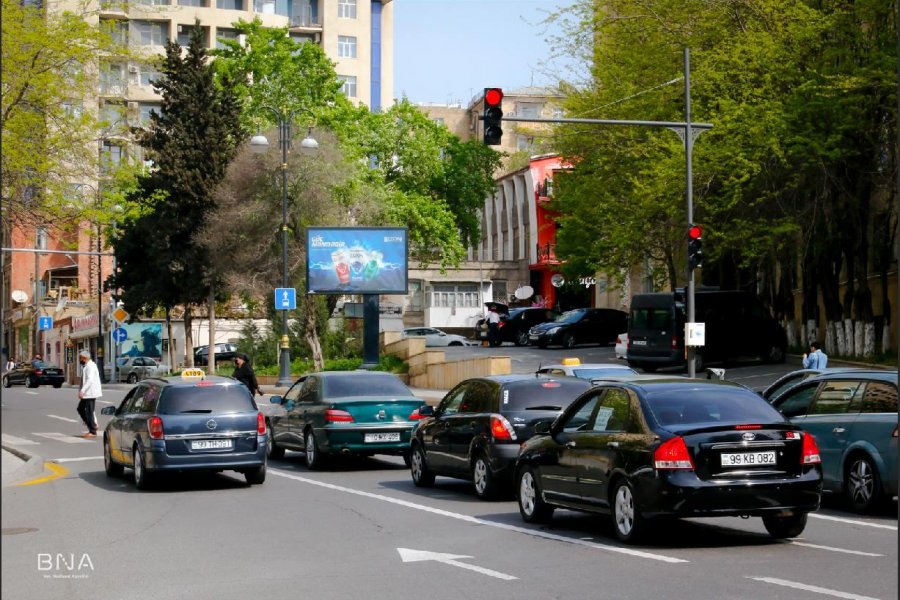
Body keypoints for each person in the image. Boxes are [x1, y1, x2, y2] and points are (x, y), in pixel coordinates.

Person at [77, 350, 102, 438]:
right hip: (87, 393)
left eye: (81, 358)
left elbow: (90, 380)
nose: (80, 360)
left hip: (90, 392)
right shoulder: (87, 366)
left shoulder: (90, 366)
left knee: (89, 412)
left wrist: (82, 390)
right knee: (81, 409)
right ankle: (92, 426)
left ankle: (92, 431)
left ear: (85, 358)